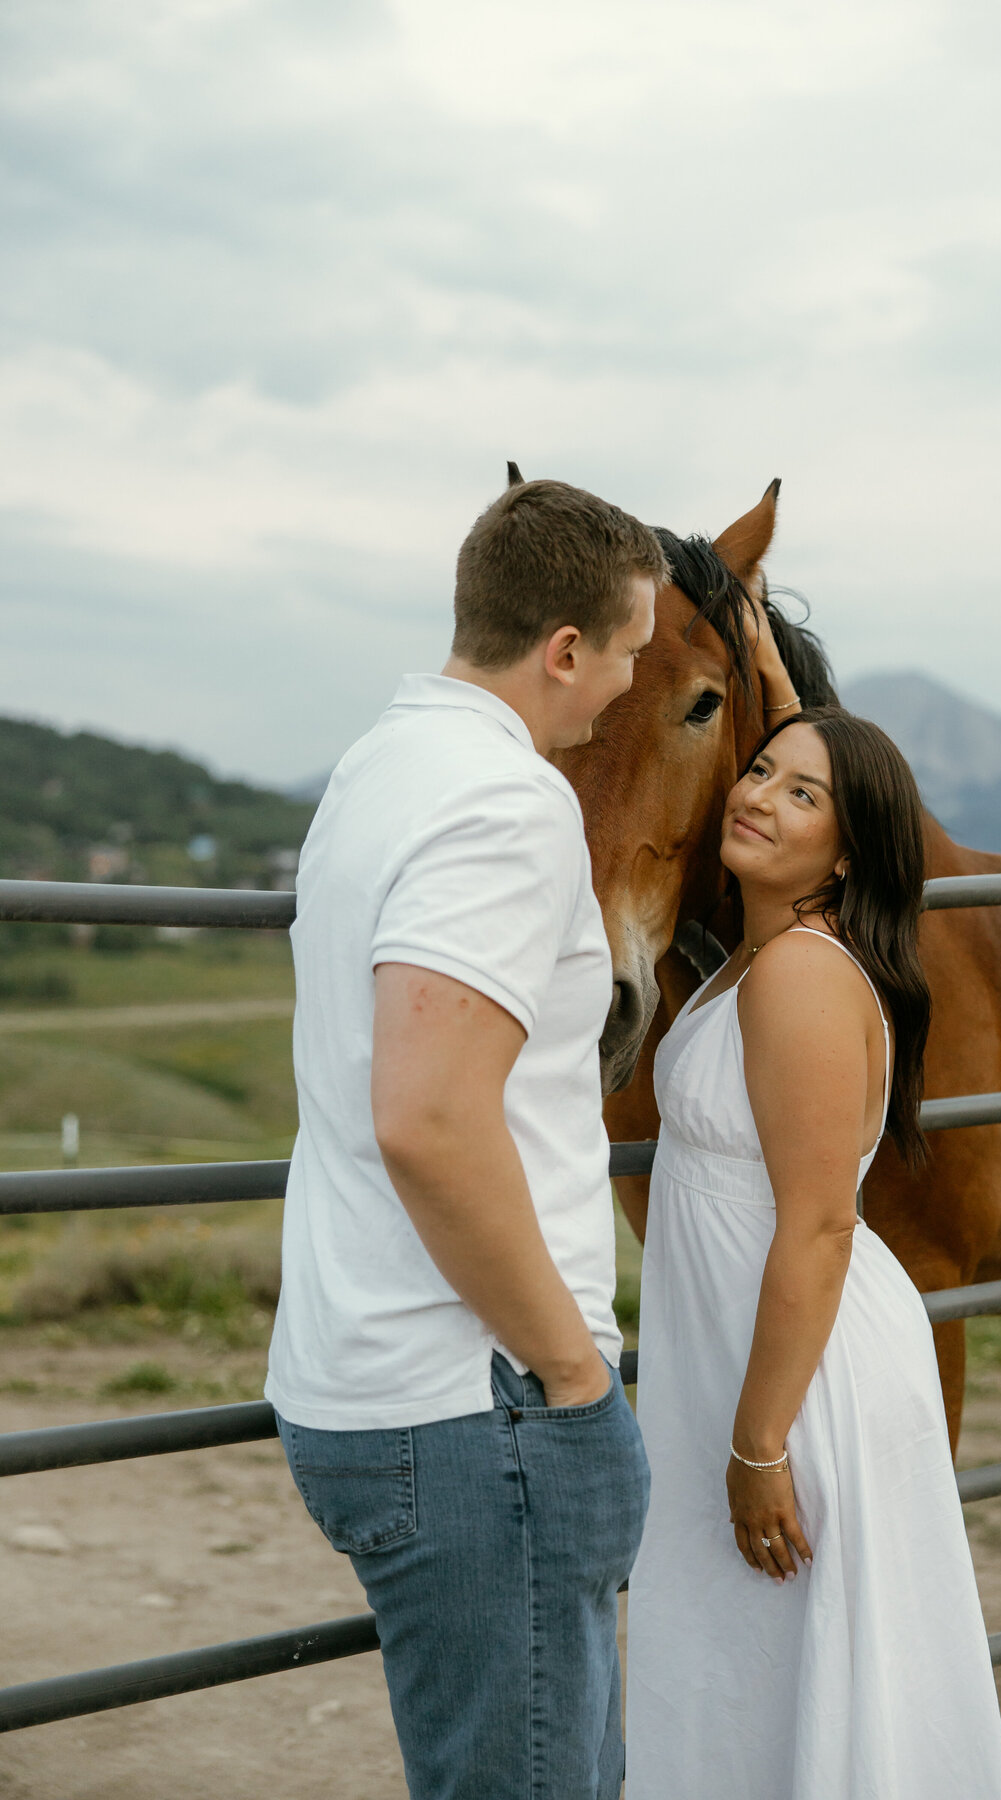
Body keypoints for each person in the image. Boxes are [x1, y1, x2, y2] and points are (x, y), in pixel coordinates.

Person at [266, 476, 663, 1800]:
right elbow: (429, 1119)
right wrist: (575, 1378)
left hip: (399, 1379)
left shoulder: (381, 764)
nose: (629, 685)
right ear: (566, 650)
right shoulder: (505, 800)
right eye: (630, 652)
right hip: (477, 1407)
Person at [624, 633, 1001, 1797]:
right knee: (760, 1686)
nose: (759, 796)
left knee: (781, 1680)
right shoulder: (761, 958)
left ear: (847, 855)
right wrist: (767, 672)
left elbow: (820, 1225)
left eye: (805, 797)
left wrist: (759, 1444)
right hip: (760, 1359)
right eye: (760, 771)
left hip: (801, 1384)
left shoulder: (798, 973)